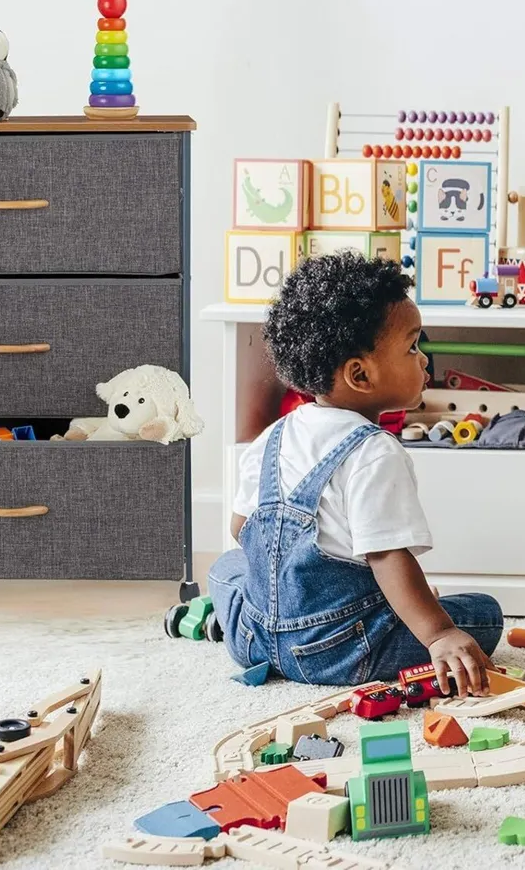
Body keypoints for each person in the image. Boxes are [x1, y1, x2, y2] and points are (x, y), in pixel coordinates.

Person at [208, 251, 502, 694]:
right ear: (360, 374)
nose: (424, 360)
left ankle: (228, 625)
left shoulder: (274, 435)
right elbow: (388, 557)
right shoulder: (374, 452)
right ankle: (422, 627)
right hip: (339, 649)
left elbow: (239, 530)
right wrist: (438, 633)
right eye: (412, 346)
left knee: (227, 568)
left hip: (256, 638)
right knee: (483, 615)